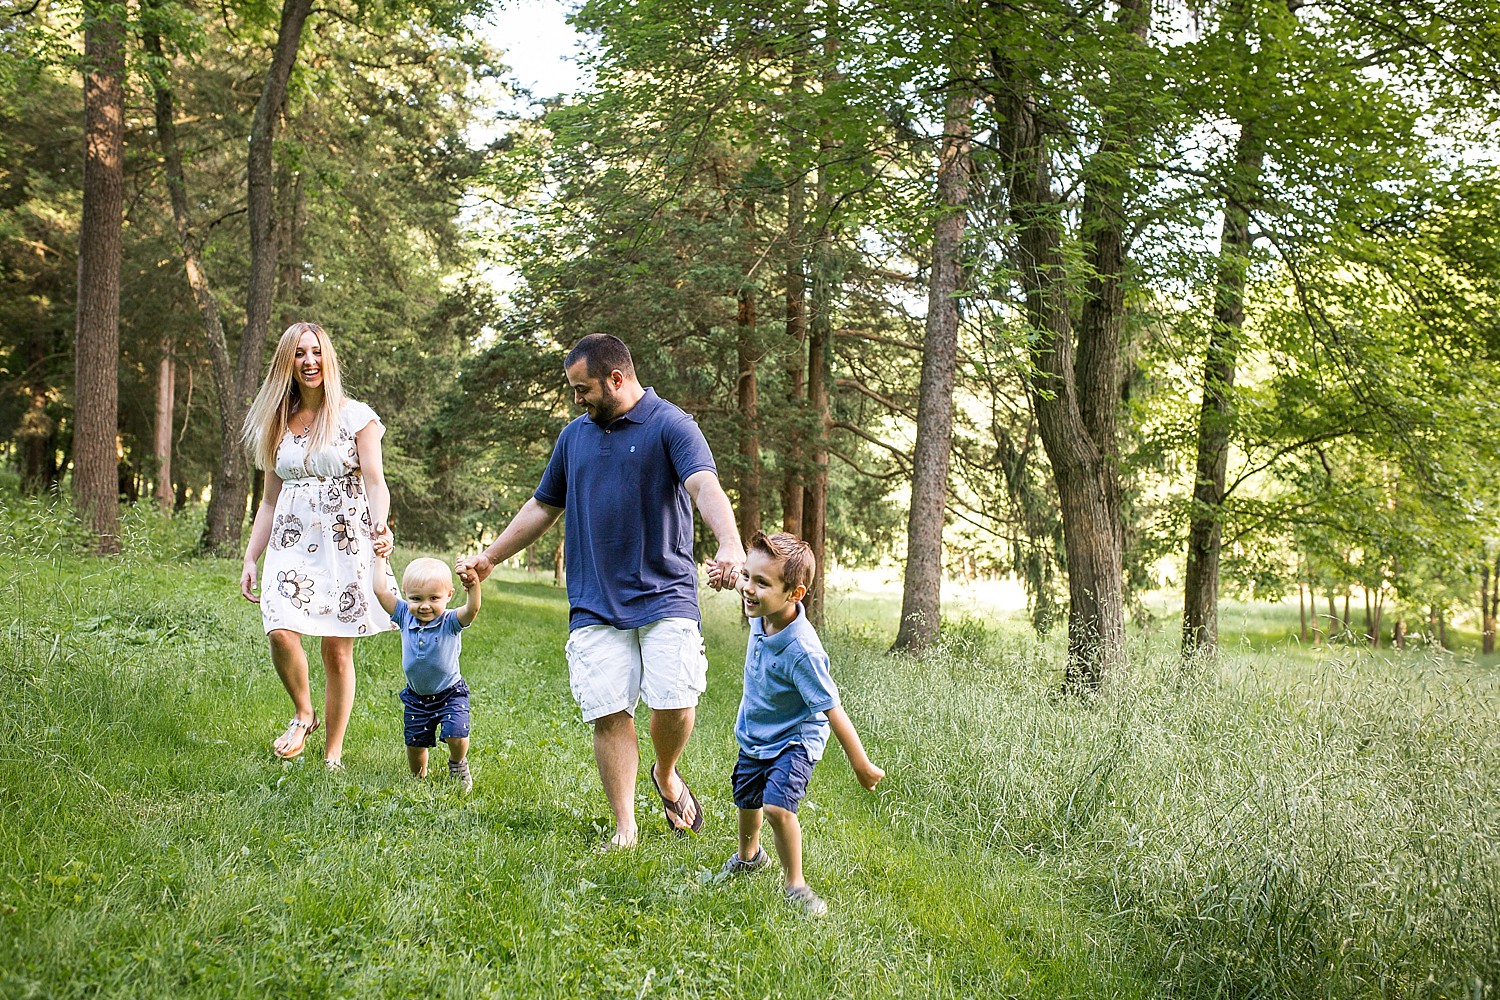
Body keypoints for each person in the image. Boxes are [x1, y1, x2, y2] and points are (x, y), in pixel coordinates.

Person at [457, 334, 745, 849]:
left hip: (666, 593)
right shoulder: (574, 438)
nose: (577, 399)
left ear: (617, 379)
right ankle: (625, 828)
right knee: (610, 711)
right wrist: (490, 557)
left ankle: (666, 772)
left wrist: (730, 544)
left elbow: (704, 485)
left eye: (582, 388)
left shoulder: (672, 425)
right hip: (594, 600)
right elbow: (543, 506)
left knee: (675, 704)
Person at [239, 321, 397, 769]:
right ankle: (303, 712)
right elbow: (268, 501)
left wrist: (380, 524)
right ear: (286, 363)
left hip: (345, 540)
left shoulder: (355, 416)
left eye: (316, 352)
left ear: (327, 358)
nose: (309, 361)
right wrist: (252, 556)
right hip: (291, 541)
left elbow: (375, 482)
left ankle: (333, 754)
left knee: (335, 649)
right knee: (280, 626)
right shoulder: (277, 424)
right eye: (298, 354)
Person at [718, 532, 884, 917]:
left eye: (761, 583)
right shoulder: (760, 610)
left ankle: (796, 884)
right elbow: (742, 583)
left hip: (796, 737)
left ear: (795, 594)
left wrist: (859, 763)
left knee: (776, 808)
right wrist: (729, 575)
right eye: (748, 577)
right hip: (756, 732)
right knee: (746, 797)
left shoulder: (802, 651)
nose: (748, 588)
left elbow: (832, 708)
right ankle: (749, 857)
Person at [371, 555, 481, 793]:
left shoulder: (449, 621)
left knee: (457, 733)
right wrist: (381, 557)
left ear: (449, 595)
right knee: (415, 743)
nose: (424, 605)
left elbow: (472, 610)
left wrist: (473, 586)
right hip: (417, 697)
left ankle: (458, 764)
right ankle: (417, 780)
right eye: (416, 598)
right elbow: (380, 590)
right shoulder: (403, 615)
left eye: (434, 598)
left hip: (450, 693)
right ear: (405, 593)